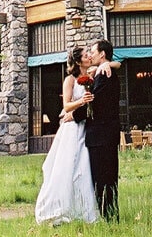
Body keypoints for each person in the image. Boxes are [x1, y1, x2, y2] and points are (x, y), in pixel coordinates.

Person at [34, 46, 117, 225]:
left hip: (87, 128)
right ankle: (60, 206)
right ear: (78, 61)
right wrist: (81, 102)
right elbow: (66, 107)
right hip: (73, 128)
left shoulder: (95, 73)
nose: (89, 56)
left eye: (90, 54)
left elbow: (115, 64)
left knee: (84, 168)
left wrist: (108, 64)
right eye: (86, 55)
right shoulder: (70, 80)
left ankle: (85, 208)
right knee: (68, 165)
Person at [74, 39, 120, 222]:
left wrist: (74, 115)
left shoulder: (105, 75)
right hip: (103, 136)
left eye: (92, 51)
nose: (90, 54)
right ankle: (109, 215)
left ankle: (109, 216)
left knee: (104, 179)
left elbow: (96, 103)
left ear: (102, 54)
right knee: (105, 178)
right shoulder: (101, 72)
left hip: (102, 136)